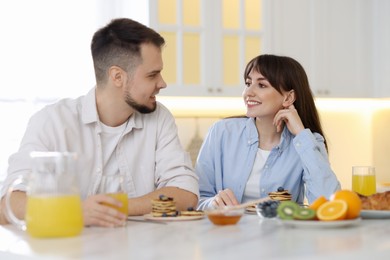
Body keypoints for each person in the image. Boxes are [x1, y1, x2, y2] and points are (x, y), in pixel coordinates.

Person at [0, 18, 199, 227]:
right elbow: (9, 205)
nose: (162, 83)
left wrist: (116, 207)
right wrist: (77, 212)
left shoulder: (159, 119)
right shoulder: (53, 121)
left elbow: (186, 194)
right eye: (152, 75)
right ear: (117, 76)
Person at [195, 54, 340, 210]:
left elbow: (329, 203)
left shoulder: (308, 142)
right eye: (248, 83)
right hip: (228, 231)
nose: (248, 92)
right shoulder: (221, 132)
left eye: (262, 85)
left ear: (289, 97)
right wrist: (213, 203)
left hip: (284, 233)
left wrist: (301, 133)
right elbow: (196, 199)